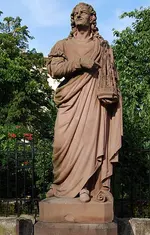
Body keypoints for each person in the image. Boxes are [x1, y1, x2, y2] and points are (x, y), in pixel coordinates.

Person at [46, 2, 122, 203]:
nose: (78, 15)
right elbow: (54, 70)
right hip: (70, 99)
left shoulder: (102, 46)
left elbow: (111, 76)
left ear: (92, 18)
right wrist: (79, 63)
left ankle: (86, 187)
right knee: (61, 143)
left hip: (92, 101)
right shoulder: (62, 45)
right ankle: (61, 185)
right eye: (75, 13)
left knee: (90, 143)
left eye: (83, 12)